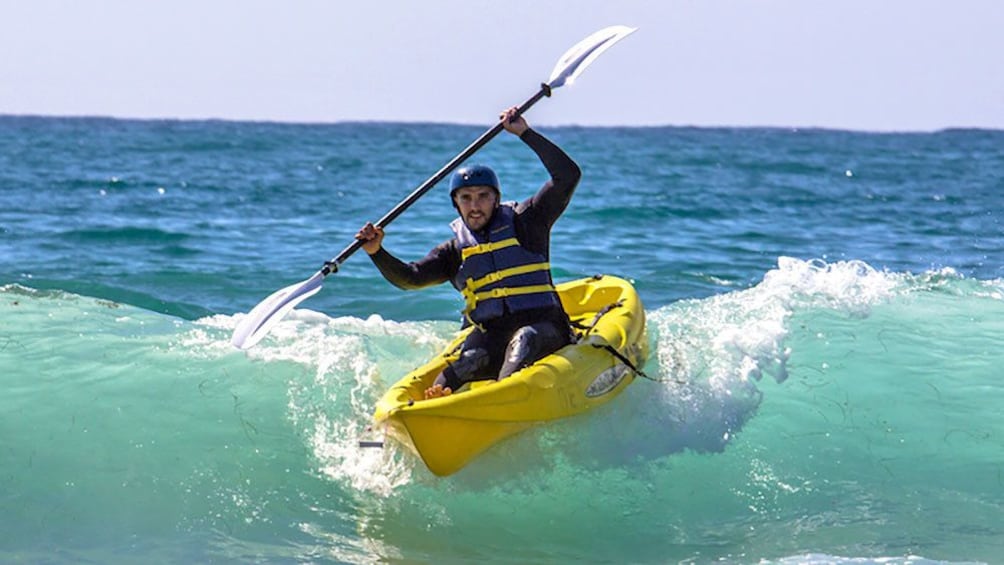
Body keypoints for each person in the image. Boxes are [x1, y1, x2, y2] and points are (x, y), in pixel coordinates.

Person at [355, 107, 581, 399]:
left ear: (496, 198)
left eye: (483, 196)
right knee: (450, 376)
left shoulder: (529, 221)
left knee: (524, 340)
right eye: (466, 198)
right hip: (492, 337)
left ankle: (500, 400)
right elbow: (410, 278)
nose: (475, 206)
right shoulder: (454, 251)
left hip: (544, 327)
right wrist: (377, 252)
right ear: (456, 204)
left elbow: (567, 175)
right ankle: (441, 415)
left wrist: (525, 133)